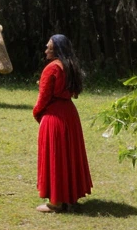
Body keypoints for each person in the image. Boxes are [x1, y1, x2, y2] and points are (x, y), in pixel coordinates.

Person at [33, 34, 92, 212]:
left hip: (54, 117)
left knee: (56, 156)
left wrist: (37, 113)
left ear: (56, 49)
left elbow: (43, 98)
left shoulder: (51, 69)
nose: (45, 50)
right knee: (69, 155)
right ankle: (70, 198)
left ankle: (56, 202)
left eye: (48, 47)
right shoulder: (70, 66)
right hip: (70, 115)